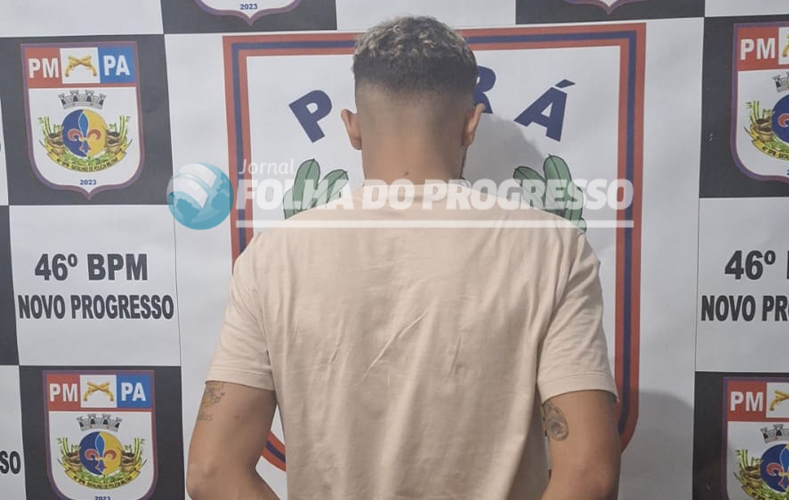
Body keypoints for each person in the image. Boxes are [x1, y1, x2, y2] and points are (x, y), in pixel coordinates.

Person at [187, 15, 620, 500]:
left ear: (352, 127)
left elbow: (211, 472)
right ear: (471, 124)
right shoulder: (554, 248)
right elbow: (589, 474)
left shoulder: (271, 258)